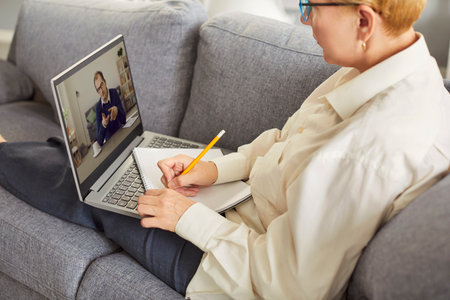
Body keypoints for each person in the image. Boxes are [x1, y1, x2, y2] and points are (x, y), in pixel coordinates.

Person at [0, 0, 449, 299]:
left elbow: (287, 286)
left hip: (228, 269)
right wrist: (214, 171)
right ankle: (57, 153)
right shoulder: (381, 70)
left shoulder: (366, 150)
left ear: (365, 20)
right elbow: (282, 143)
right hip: (239, 207)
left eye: (311, 5)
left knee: (98, 194)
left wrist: (187, 218)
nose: (305, 18)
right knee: (115, 171)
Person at [94, 71, 126, 146]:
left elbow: (124, 120)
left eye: (101, 85)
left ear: (105, 82)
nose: (101, 91)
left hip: (121, 132)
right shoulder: (98, 108)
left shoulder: (114, 93)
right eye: (98, 89)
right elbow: (99, 141)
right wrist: (103, 125)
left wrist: (117, 110)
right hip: (110, 142)